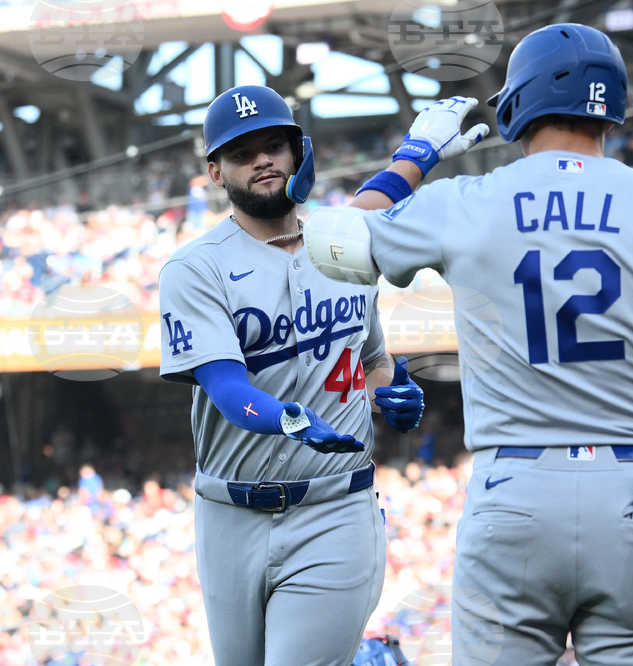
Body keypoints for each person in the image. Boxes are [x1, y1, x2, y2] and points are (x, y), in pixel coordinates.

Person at [303, 23, 633, 665]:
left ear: (518, 102)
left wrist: (416, 156)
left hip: (514, 489)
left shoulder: (469, 201)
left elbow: (332, 244)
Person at [158, 85, 425, 666]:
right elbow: (228, 390)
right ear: (214, 171)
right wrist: (290, 420)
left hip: (335, 506)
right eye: (242, 152)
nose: (262, 159)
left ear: (298, 152)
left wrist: (390, 395)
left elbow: (372, 359)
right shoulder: (194, 267)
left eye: (274, 144)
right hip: (228, 515)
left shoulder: (343, 248)